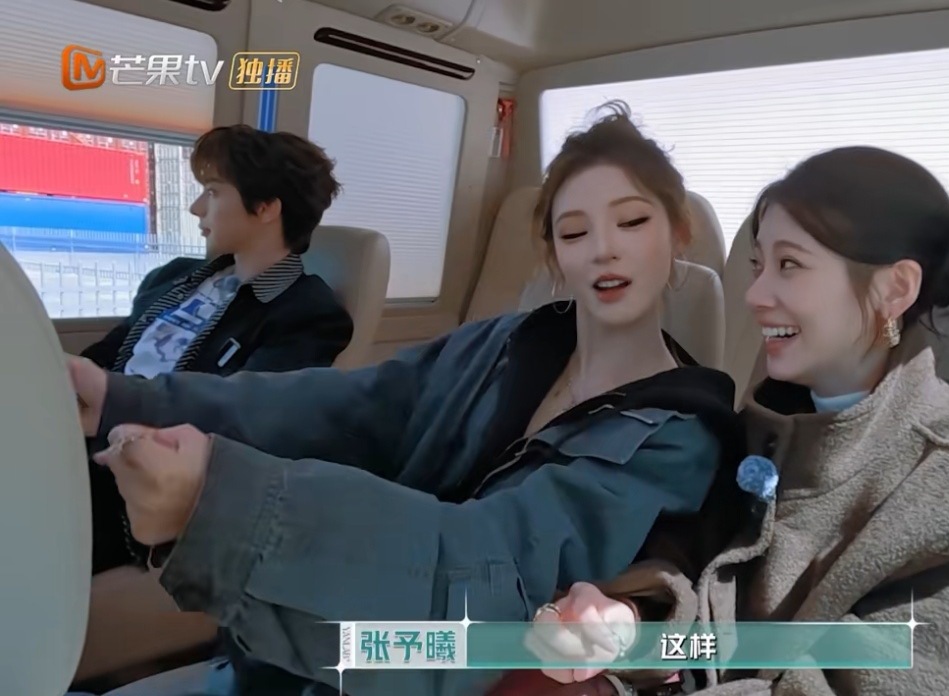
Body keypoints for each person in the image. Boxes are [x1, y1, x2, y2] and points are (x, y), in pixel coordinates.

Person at [65, 103, 742, 696]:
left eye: (632, 222)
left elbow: (494, 565)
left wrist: (221, 501)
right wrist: (126, 399)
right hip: (294, 655)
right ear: (553, 254)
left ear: (678, 233)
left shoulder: (679, 435)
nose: (604, 251)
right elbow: (346, 403)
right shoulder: (504, 344)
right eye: (574, 232)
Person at [522, 147, 949, 696]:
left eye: (790, 265)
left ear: (894, 289)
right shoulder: (751, 439)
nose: (755, 295)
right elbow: (696, 594)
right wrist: (629, 620)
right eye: (758, 265)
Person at [83, 124, 354, 574]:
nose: (195, 207)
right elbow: (109, 352)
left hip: (133, 465)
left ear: (266, 208)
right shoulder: (174, 276)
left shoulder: (305, 314)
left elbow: (240, 419)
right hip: (83, 432)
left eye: (212, 191)